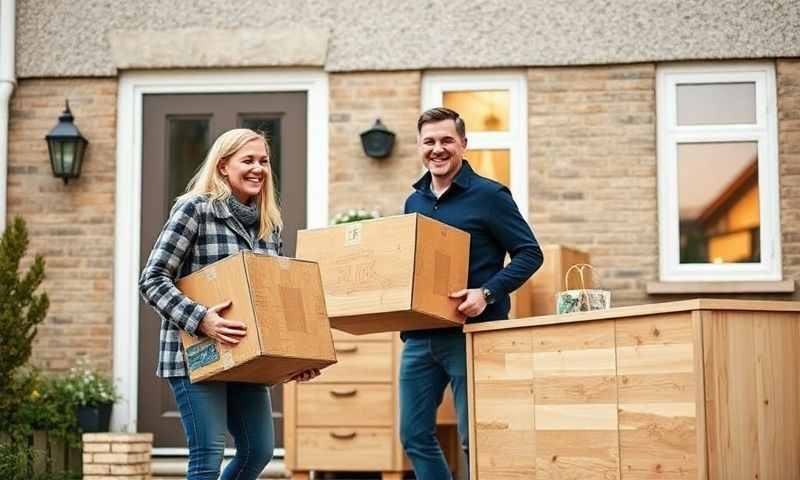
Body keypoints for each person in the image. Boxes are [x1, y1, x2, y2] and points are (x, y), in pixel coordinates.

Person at [139, 128, 319, 480]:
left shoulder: (270, 226)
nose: (258, 169)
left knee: (258, 451)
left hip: (245, 358)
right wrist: (201, 318)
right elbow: (152, 279)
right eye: (247, 160)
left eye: (264, 161)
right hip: (197, 355)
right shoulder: (196, 209)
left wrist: (294, 359)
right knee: (208, 455)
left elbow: (272, 303)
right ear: (223, 166)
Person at [400, 107, 543, 479]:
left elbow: (530, 253)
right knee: (413, 435)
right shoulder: (413, 201)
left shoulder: (490, 196)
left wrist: (487, 292)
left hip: (472, 334)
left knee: (475, 438)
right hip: (420, 337)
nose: (438, 148)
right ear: (419, 146)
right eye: (429, 141)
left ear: (464, 143)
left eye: (447, 140)